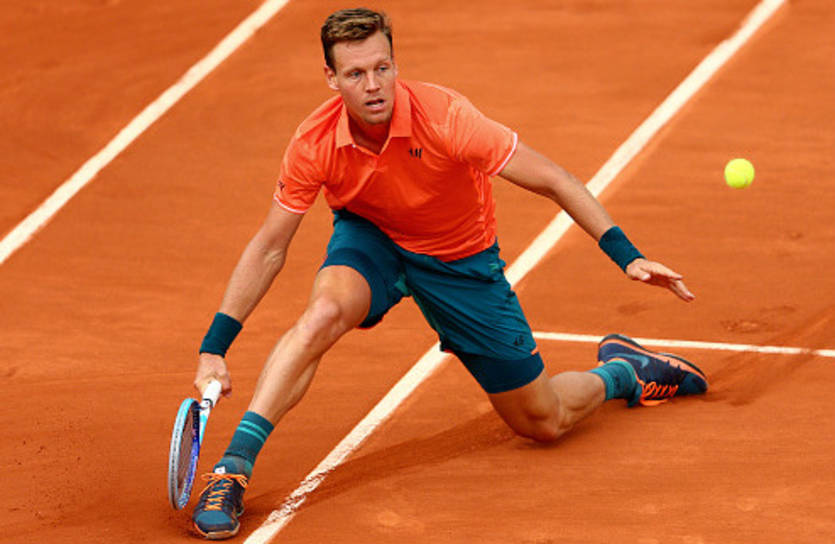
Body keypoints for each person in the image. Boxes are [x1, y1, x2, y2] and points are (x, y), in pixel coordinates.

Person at [189, 8, 708, 540]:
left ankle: (623, 371)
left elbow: (554, 179)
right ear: (331, 78)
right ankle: (232, 470)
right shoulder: (314, 142)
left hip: (460, 260)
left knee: (543, 421)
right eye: (356, 74)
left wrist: (627, 255)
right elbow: (269, 248)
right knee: (322, 314)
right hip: (374, 239)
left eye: (382, 68)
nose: (374, 85)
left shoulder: (447, 118)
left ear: (395, 64)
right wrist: (215, 346)